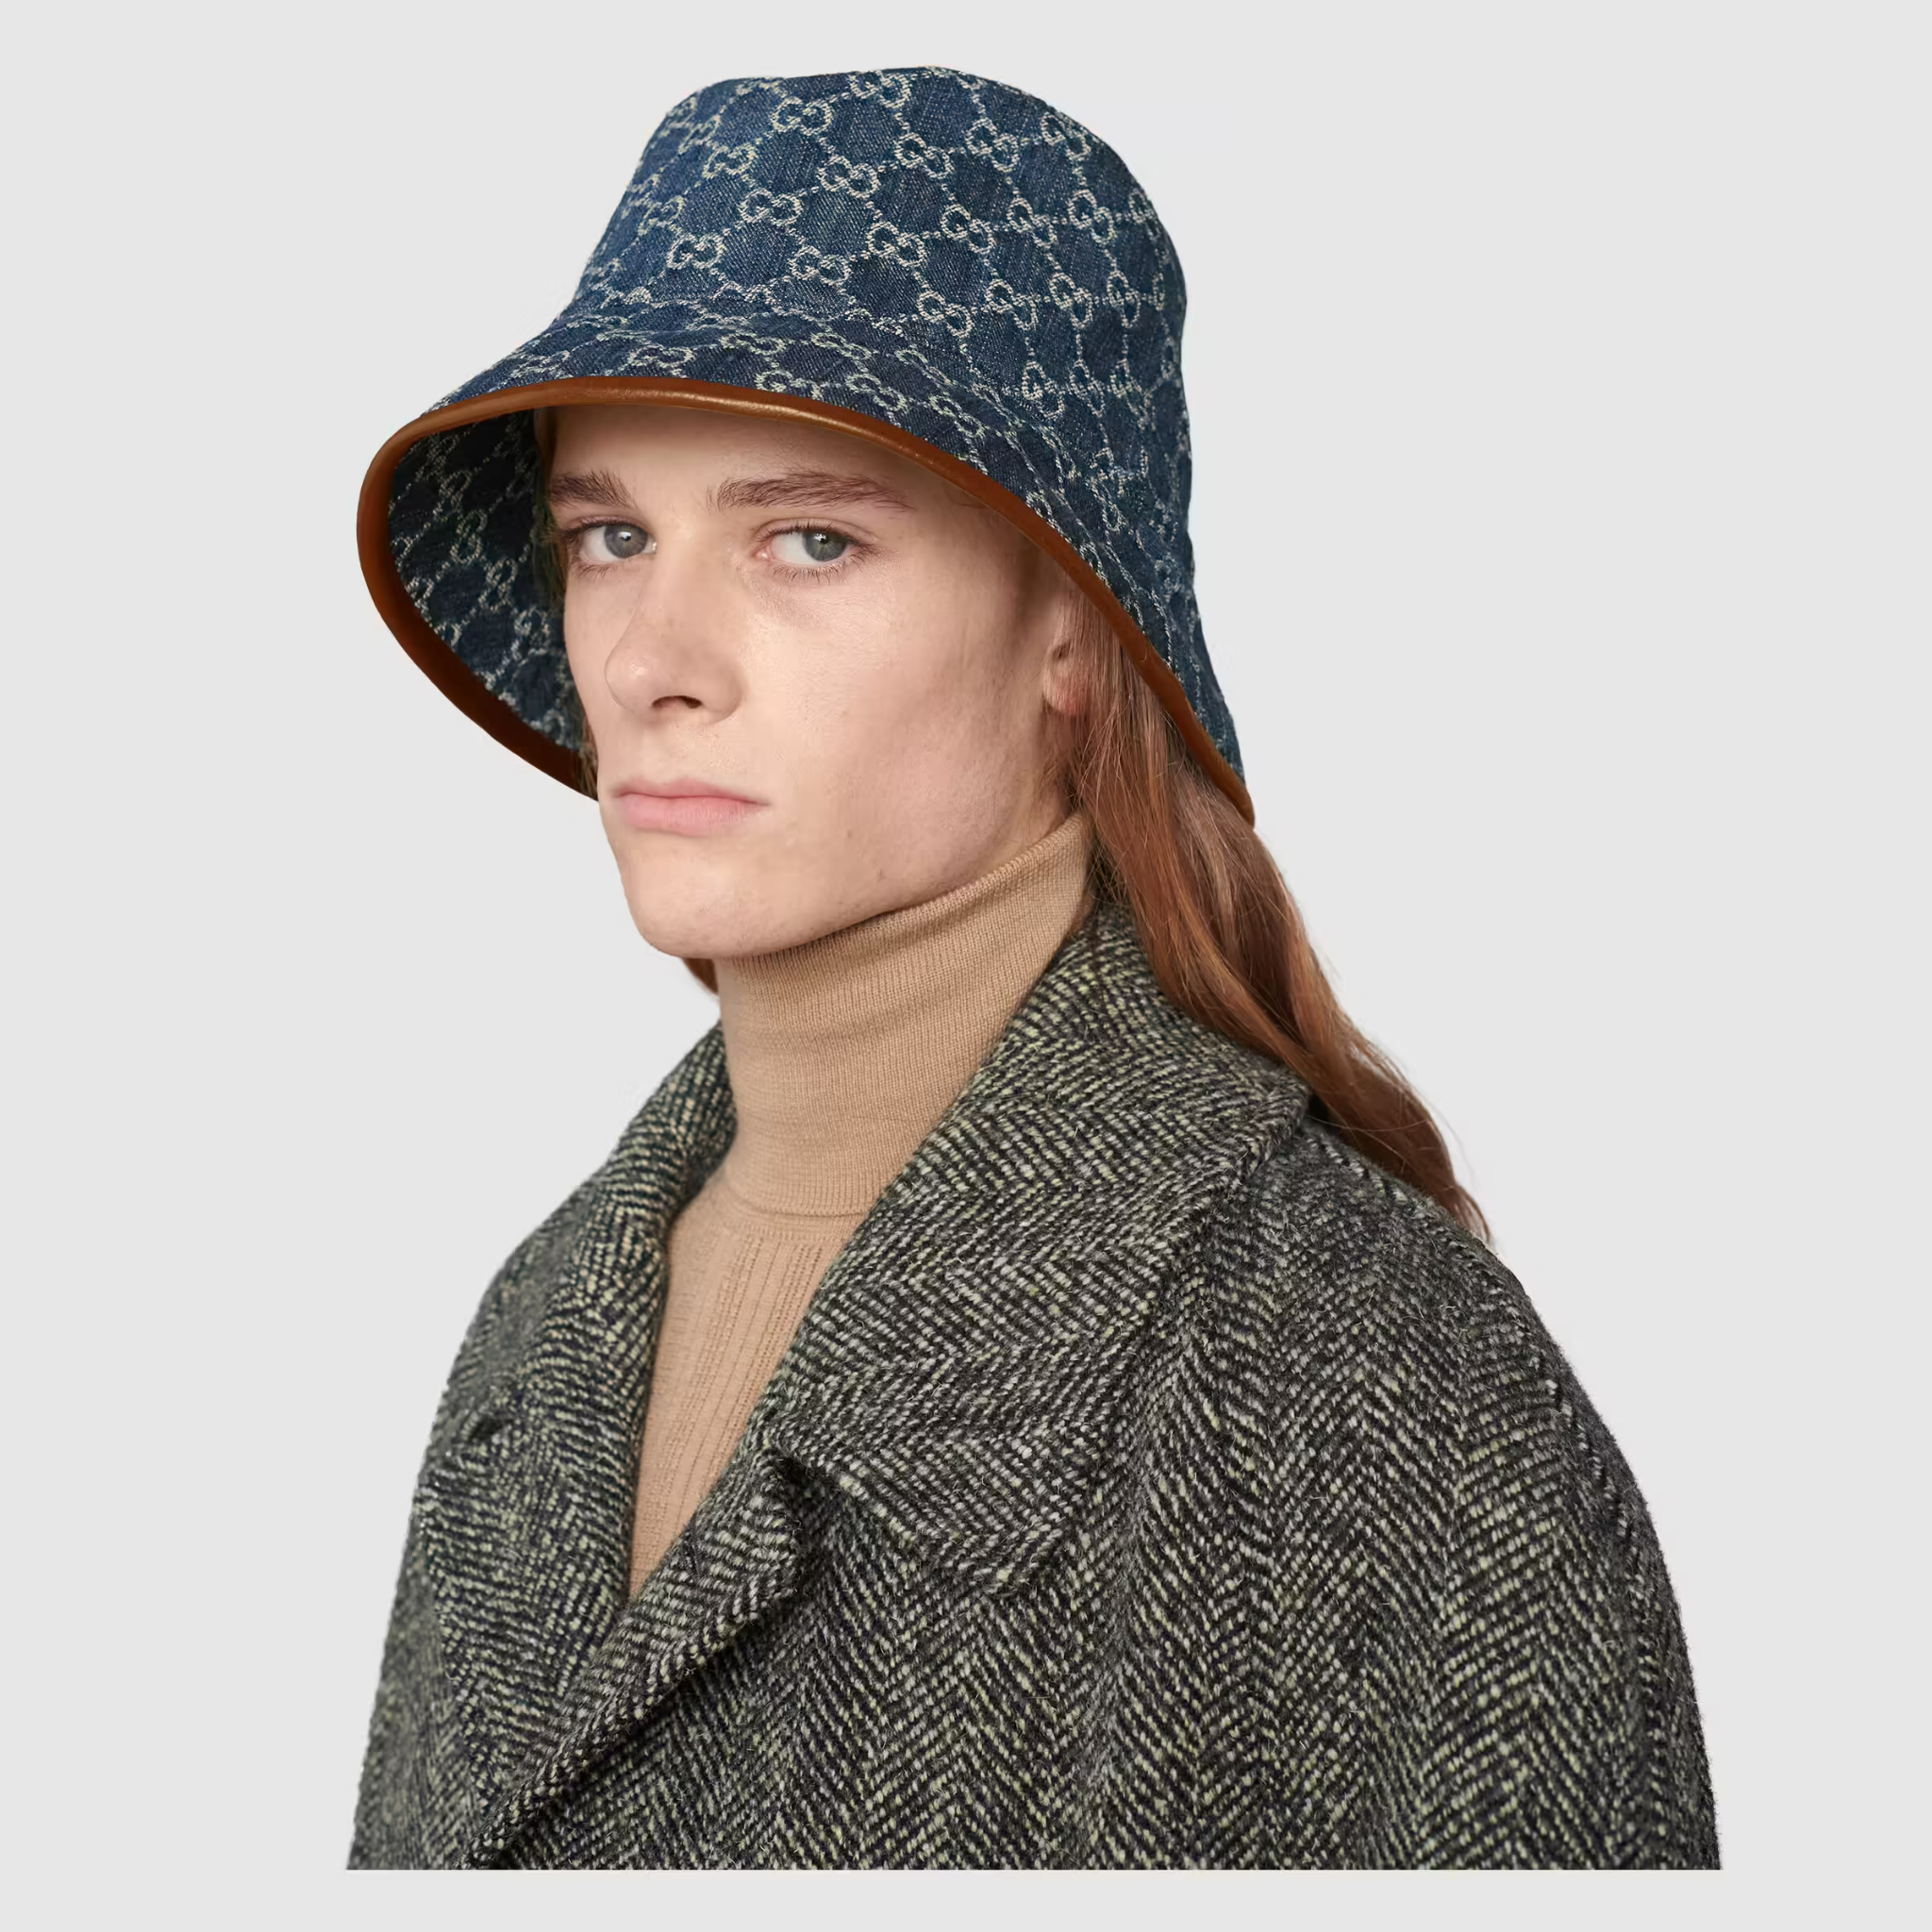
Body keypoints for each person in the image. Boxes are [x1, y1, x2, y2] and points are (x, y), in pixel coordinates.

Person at [348, 65, 1718, 1870]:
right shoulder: (549, 1330)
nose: (649, 661)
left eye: (808, 539)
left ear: (1072, 623)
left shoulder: (1376, 1387)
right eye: (611, 537)